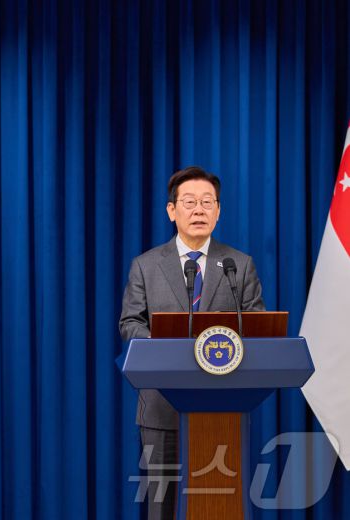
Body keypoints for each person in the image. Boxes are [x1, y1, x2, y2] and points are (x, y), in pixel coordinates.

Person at [119, 166, 265, 520]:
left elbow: (257, 325)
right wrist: (161, 345)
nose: (199, 210)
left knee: (219, 504)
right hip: (161, 408)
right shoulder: (146, 265)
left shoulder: (238, 265)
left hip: (223, 406)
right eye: (189, 202)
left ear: (218, 211)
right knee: (162, 506)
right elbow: (130, 323)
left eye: (207, 202)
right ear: (172, 211)